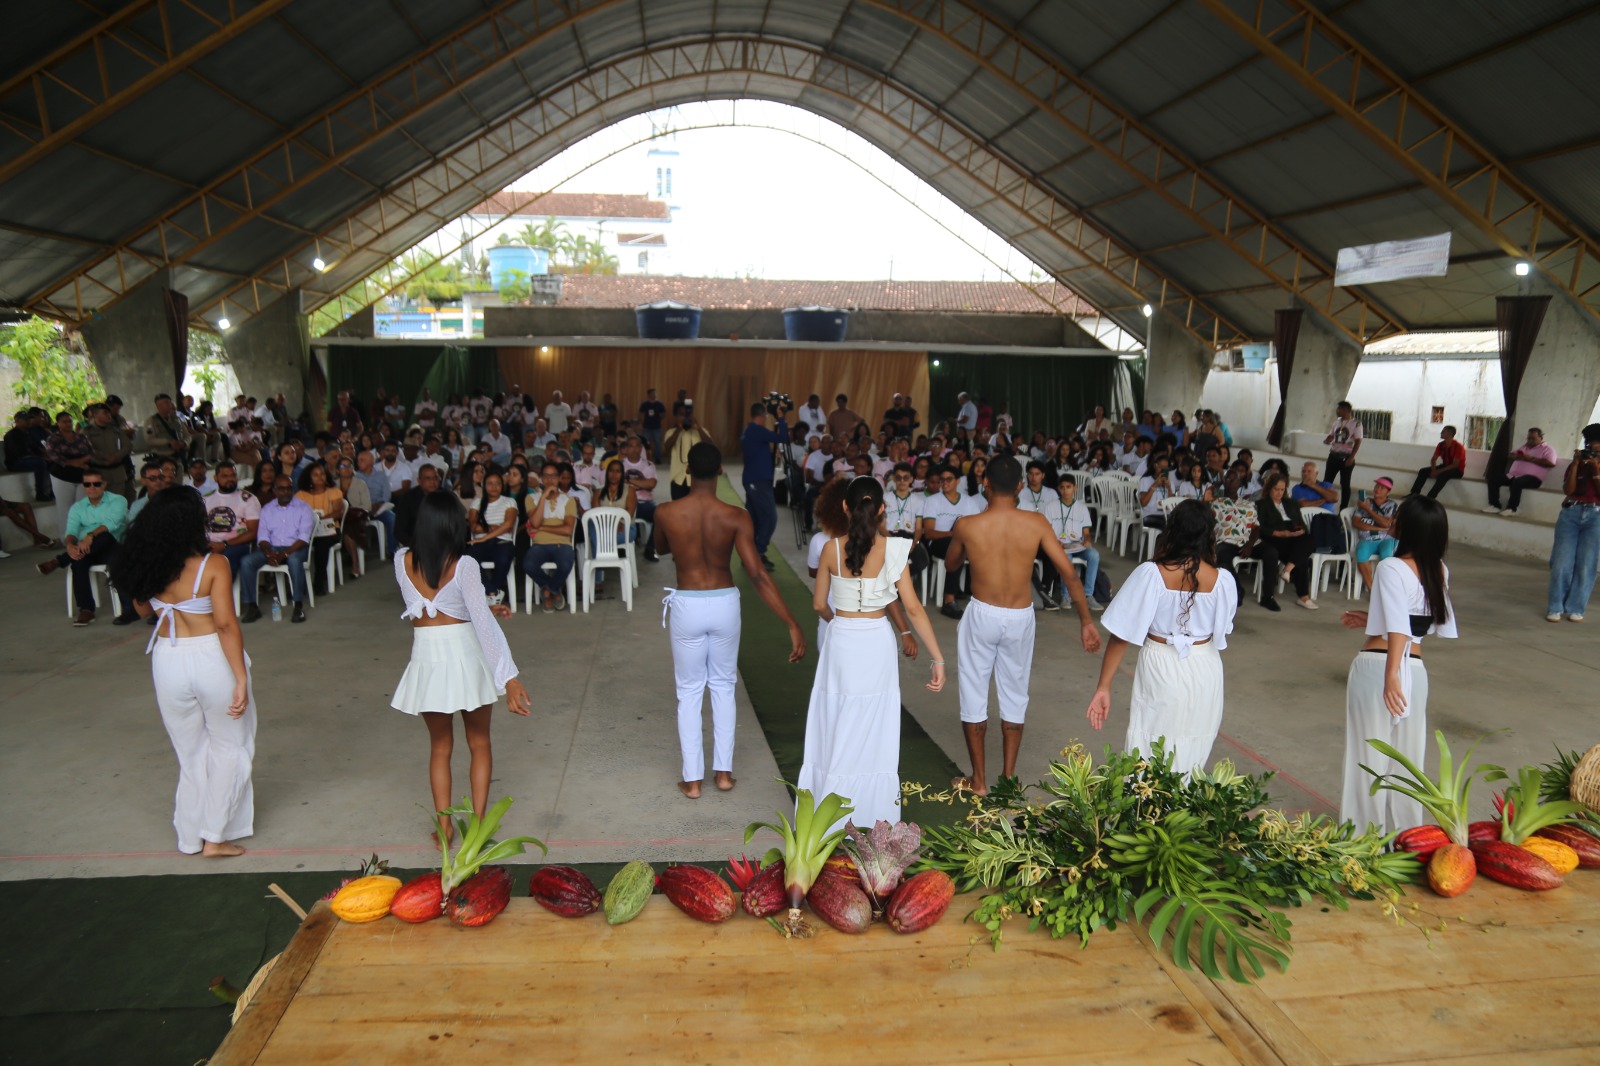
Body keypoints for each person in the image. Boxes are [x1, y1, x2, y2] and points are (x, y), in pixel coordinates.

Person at [655, 442, 806, 799]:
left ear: (688, 470)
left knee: (689, 692)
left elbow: (660, 549)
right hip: (724, 602)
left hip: (687, 603)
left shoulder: (666, 512)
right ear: (721, 470)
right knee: (723, 687)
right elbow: (756, 574)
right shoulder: (736, 515)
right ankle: (723, 775)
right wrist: (791, 621)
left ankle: (692, 781)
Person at [943, 456, 1101, 795]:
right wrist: (1086, 620)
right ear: (1019, 487)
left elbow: (952, 564)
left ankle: (979, 782)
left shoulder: (967, 524)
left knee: (973, 691)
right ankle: (1009, 781)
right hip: (1019, 617)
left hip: (982, 612)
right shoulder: (1037, 522)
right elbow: (1069, 573)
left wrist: (971, 548)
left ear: (984, 484)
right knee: (1015, 694)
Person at [111, 487, 256, 857]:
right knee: (230, 747)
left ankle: (190, 838)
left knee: (190, 754)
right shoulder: (213, 564)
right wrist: (240, 678)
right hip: (211, 657)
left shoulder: (143, 563)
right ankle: (214, 837)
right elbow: (226, 625)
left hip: (168, 657)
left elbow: (144, 612)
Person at [802, 477, 944, 828]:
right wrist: (937, 657)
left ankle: (829, 815)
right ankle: (871, 813)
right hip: (876, 640)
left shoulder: (830, 549)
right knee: (874, 722)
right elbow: (912, 608)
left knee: (837, 717)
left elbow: (819, 603)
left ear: (845, 508)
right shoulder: (896, 549)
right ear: (882, 508)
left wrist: (835, 620)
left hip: (842, 639)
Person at [392, 491, 532, 844]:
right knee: (479, 741)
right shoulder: (464, 564)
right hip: (466, 657)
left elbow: (434, 607)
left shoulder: (402, 561)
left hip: (427, 659)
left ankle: (444, 828)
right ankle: (479, 826)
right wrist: (509, 677)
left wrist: (481, 607)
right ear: (454, 524)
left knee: (440, 746)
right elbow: (480, 624)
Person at [1088, 499, 1237, 774]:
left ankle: (1149, 810)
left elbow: (1122, 635)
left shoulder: (1152, 574)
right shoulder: (1223, 580)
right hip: (1205, 666)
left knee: (1151, 743)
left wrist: (1103, 687)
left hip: (1162, 664)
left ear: (1172, 531)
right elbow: (1223, 630)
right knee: (1193, 743)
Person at [1339, 495, 1456, 833]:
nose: (1393, 518)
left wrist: (1391, 676)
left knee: (1368, 758)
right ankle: (1410, 838)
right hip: (1416, 673)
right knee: (1408, 760)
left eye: (1399, 515)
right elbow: (1420, 624)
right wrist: (1372, 617)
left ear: (1409, 527)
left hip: (1378, 669)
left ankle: (1363, 841)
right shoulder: (1439, 569)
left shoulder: (1391, 566)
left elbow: (1400, 628)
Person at [36, 468, 129, 625]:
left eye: (96, 483)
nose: (92, 487)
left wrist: (90, 536)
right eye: (87, 484)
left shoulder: (118, 500)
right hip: (86, 550)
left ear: (104, 484)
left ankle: (59, 561)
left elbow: (112, 523)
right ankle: (86, 610)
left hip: (113, 547)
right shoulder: (78, 507)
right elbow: (71, 531)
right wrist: (71, 545)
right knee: (78, 560)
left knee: (104, 536)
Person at [238, 476, 312, 624]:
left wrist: (283, 554)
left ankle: (298, 606)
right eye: (281, 488)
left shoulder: (303, 508)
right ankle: (252, 607)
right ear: (275, 490)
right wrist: (269, 553)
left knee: (295, 560)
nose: (286, 492)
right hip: (271, 549)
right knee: (246, 562)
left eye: (289, 488)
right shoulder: (267, 509)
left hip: (295, 548)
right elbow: (262, 537)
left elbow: (303, 538)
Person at [1547, 422, 1600, 622]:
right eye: (1590, 448)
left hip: (1596, 516)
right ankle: (1555, 606)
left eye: (1597, 450)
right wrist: (1578, 464)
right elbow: (1568, 491)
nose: (1593, 454)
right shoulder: (1577, 464)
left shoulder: (1596, 465)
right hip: (1571, 512)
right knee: (1561, 562)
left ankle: (1576, 607)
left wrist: (1595, 471)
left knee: (1587, 564)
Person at [921, 463, 982, 619]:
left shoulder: (969, 502)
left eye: (949, 479)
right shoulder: (933, 500)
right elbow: (928, 533)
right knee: (957, 547)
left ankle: (984, 595)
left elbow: (976, 529)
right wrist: (952, 534)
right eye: (942, 479)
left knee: (983, 548)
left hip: (963, 542)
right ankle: (949, 601)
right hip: (938, 543)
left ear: (957, 481)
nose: (945, 483)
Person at [1254, 471, 1316, 611]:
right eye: (1276, 489)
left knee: (1309, 539)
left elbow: (1302, 524)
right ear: (1269, 488)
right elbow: (1261, 527)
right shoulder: (1262, 504)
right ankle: (1304, 597)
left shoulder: (1291, 504)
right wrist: (1281, 533)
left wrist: (1299, 531)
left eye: (1282, 490)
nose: (1279, 493)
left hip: (1293, 534)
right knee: (1302, 556)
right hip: (1275, 536)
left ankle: (1287, 569)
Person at [739, 400, 789, 571]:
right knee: (769, 517)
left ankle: (749, 555)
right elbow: (783, 438)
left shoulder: (749, 430)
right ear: (762, 416)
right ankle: (758, 552)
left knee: (753, 519)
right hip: (758, 481)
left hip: (753, 479)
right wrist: (781, 419)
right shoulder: (757, 431)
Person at [524, 461, 578, 612]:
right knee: (528, 564)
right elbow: (534, 520)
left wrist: (540, 527)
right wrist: (543, 498)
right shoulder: (531, 499)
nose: (550, 480)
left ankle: (547, 592)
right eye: (546, 476)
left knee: (566, 564)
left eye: (553, 476)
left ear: (559, 478)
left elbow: (568, 530)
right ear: (540, 478)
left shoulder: (568, 500)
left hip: (562, 544)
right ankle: (554, 590)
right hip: (539, 545)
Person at [202, 461, 260, 576]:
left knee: (224, 559)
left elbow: (253, 532)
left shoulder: (248, 499)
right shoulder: (205, 499)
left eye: (233, 475)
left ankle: (218, 591)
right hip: (209, 544)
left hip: (236, 545)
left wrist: (225, 544)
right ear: (215, 478)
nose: (230, 479)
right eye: (225, 476)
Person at [296, 461, 345, 597]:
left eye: (322, 474)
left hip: (330, 530)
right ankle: (298, 583)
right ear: (309, 477)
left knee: (321, 545)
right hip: (309, 532)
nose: (320, 477)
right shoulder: (301, 495)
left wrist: (317, 521)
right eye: (315, 475)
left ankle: (318, 581)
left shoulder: (334, 492)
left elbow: (337, 513)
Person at [1483, 426, 1558, 516]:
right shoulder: (1525, 447)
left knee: (1517, 482)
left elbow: (1551, 463)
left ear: (1541, 438)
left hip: (1533, 478)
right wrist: (1516, 457)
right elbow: (1511, 455)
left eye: (1533, 438)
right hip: (1513, 475)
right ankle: (1495, 505)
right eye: (1528, 438)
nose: (1530, 441)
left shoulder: (1548, 449)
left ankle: (1512, 508)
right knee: (1493, 479)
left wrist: (1531, 459)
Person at [44, 410, 93, 539]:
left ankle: (81, 536)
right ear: (58, 423)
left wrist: (80, 462)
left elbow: (91, 452)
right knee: (64, 508)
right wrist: (72, 463)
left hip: (81, 474)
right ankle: (66, 538)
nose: (68, 424)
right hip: (62, 475)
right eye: (64, 422)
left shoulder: (81, 437)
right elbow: (53, 455)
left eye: (70, 421)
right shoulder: (53, 438)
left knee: (81, 507)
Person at [1352, 476, 1398, 591]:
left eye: (1382, 487)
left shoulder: (1391, 505)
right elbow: (1356, 522)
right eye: (1377, 486)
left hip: (1386, 539)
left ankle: (1386, 588)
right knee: (1361, 553)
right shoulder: (1365, 502)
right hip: (1367, 539)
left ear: (1388, 492)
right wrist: (1377, 527)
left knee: (1386, 556)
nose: (1378, 489)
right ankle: (1372, 589)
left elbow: (1386, 524)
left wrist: (1367, 510)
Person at [1323, 400, 1364, 509]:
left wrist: (1351, 458)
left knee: (1345, 484)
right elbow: (1332, 435)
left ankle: (1343, 508)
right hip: (1333, 455)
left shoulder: (1356, 424)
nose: (1337, 411)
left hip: (1346, 457)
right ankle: (1324, 504)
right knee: (1327, 482)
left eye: (1339, 409)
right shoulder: (1337, 422)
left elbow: (1358, 441)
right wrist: (1328, 440)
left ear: (1345, 410)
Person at [4, 409, 53, 501]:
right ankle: (40, 492)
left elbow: (35, 448)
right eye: (25, 420)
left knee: (50, 462)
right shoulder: (11, 435)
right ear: (17, 421)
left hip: (27, 459)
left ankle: (51, 492)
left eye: (28, 419)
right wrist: (40, 457)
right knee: (40, 463)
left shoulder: (27, 433)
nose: (28, 421)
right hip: (15, 462)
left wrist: (46, 456)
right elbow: (19, 453)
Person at [394, 462, 444, 548]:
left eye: (435, 478)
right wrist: (414, 546)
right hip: (415, 543)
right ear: (419, 481)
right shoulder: (408, 498)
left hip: (443, 543)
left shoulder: (447, 497)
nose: (432, 482)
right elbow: (400, 530)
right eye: (427, 478)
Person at [664, 406, 709, 500]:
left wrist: (698, 428)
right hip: (678, 477)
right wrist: (679, 429)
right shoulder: (671, 432)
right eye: (681, 415)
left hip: (697, 477)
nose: (685, 418)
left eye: (687, 415)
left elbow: (711, 446)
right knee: (678, 508)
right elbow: (667, 447)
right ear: (676, 417)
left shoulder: (701, 431)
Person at [1411, 425, 1466, 499]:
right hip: (1445, 466)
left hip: (1457, 470)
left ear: (1450, 434)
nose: (1441, 433)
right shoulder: (1441, 445)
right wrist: (1434, 470)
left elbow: (1455, 465)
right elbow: (1434, 459)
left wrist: (1438, 471)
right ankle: (1414, 493)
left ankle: (1430, 497)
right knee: (1423, 471)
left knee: (1443, 475)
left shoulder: (1458, 447)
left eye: (1443, 431)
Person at [144, 394, 193, 464]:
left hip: (179, 456)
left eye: (170, 402)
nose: (170, 405)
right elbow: (149, 439)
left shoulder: (177, 419)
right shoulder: (151, 421)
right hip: (162, 457)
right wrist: (168, 442)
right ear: (158, 406)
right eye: (166, 403)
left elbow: (188, 435)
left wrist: (184, 443)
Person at [639, 388, 667, 461]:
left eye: (655, 393)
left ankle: (657, 458)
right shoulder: (645, 404)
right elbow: (641, 414)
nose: (654, 395)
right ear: (648, 395)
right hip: (646, 427)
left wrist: (659, 419)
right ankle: (644, 458)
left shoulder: (659, 403)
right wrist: (641, 424)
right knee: (645, 443)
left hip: (657, 427)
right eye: (652, 393)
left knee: (658, 443)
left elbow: (664, 413)